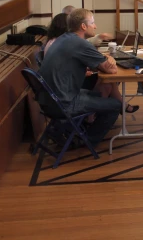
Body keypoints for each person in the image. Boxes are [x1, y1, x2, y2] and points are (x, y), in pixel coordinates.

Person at [38, 9, 125, 147]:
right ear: (83, 26)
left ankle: (81, 129)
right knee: (115, 105)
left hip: (50, 100)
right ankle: (87, 140)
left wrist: (101, 62)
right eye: (93, 23)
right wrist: (108, 58)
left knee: (102, 91)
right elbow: (111, 70)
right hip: (64, 102)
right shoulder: (80, 43)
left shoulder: (63, 39)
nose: (95, 26)